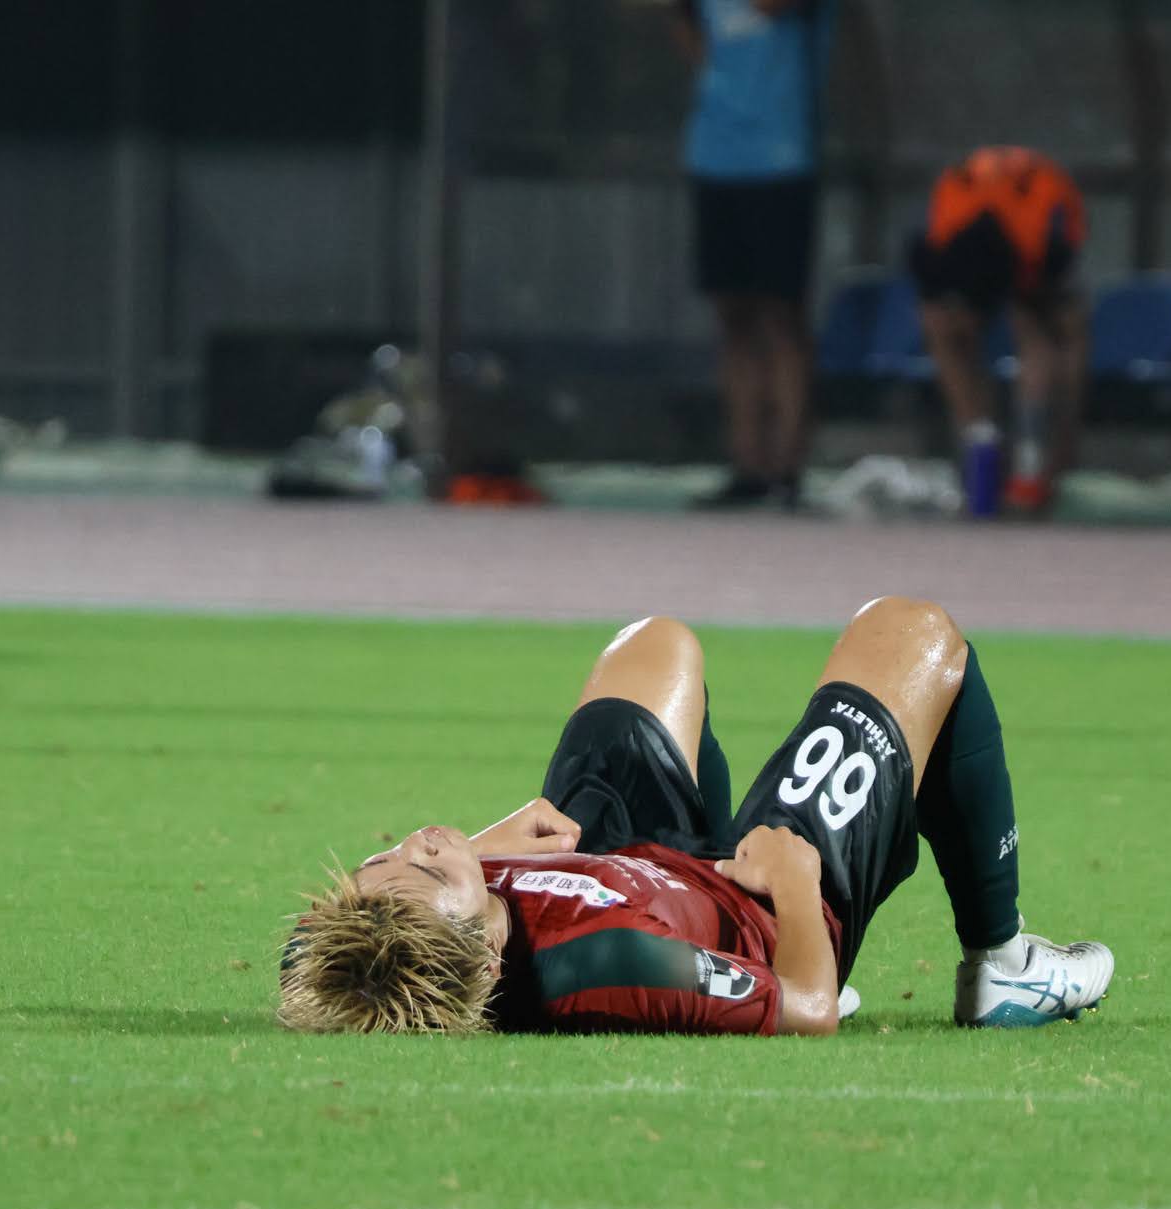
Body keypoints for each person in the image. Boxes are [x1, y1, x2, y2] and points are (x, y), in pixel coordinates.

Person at [278, 598, 1113, 1035]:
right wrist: (795, 886)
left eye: (387, 856)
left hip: (629, 864)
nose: (419, 841)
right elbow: (810, 1007)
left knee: (654, 643)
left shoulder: (403, 937)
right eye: (431, 866)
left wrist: (480, 854)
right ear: (491, 961)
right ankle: (1003, 961)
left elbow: (311, 952)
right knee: (913, 632)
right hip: (757, 902)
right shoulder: (615, 961)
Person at [673, 0, 835, 512]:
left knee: (782, 314)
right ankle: (747, 465)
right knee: (734, 315)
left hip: (782, 158)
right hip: (716, 154)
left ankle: (787, 469)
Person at [910, 146, 1089, 519]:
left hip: (1039, 250)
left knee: (1046, 337)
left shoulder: (1041, 241)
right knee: (941, 328)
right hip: (987, 243)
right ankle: (979, 444)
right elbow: (939, 306)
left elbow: (1052, 320)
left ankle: (1036, 463)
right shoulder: (945, 228)